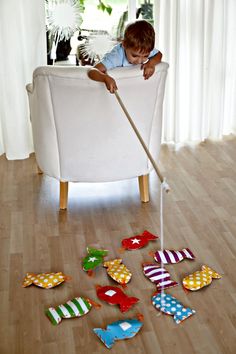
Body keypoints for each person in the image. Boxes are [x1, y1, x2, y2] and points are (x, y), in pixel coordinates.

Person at [87, 20, 162, 93]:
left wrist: (151, 63)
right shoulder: (115, 57)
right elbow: (92, 71)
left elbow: (159, 54)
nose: (140, 61)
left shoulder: (144, 48)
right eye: (135, 56)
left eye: (146, 56)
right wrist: (105, 78)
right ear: (124, 45)